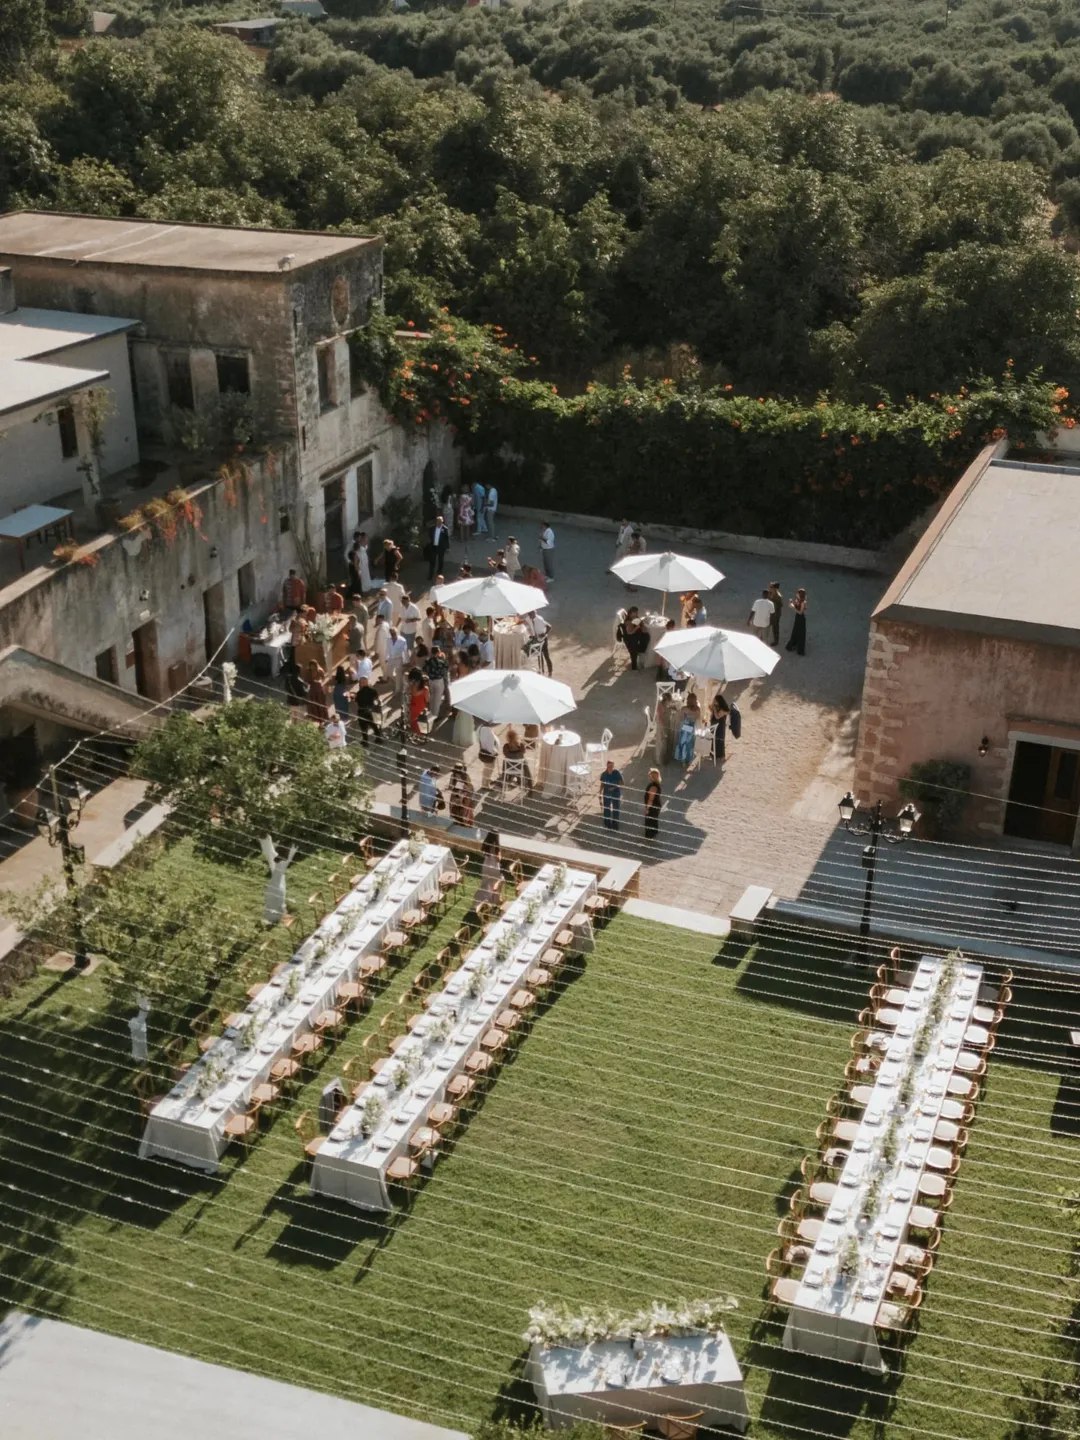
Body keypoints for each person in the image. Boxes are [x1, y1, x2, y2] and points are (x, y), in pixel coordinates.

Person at [475, 831, 503, 905]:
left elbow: (483, 852)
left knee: (486, 884)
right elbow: (498, 859)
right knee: (496, 884)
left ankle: (484, 899)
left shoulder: (485, 844)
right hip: (494, 867)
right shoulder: (496, 846)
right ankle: (494, 900)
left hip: (486, 866)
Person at [423, 645, 449, 721]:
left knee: (432, 697)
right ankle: (435, 715)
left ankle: (431, 713)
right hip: (439, 681)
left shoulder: (428, 661)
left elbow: (424, 670)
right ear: (438, 652)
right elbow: (446, 670)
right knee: (437, 699)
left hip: (431, 681)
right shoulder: (441, 661)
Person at [354, 676, 381, 745]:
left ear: (361, 683)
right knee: (374, 725)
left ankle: (365, 741)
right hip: (372, 711)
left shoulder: (359, 693)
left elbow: (357, 701)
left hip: (362, 712)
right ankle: (378, 739)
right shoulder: (373, 691)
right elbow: (377, 700)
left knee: (363, 727)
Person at [524, 610, 552, 676]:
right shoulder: (528, 618)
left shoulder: (539, 619)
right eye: (529, 614)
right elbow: (524, 621)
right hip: (536, 639)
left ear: (535, 613)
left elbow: (549, 626)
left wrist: (544, 634)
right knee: (525, 648)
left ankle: (550, 671)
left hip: (543, 639)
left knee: (546, 655)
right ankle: (539, 669)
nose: (530, 616)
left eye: (531, 614)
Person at [599, 759, 624, 831]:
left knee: (616, 808)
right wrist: (600, 793)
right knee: (607, 808)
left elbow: (622, 783)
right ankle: (607, 824)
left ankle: (615, 824)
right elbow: (602, 784)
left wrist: (614, 787)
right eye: (609, 766)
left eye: (612, 766)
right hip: (606, 793)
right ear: (607, 766)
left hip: (616, 793)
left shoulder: (617, 773)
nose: (611, 768)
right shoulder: (604, 774)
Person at [426, 514, 450, 582]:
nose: (439, 523)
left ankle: (439, 573)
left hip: (441, 547)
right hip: (433, 546)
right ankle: (430, 574)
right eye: (438, 522)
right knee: (432, 560)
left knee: (440, 560)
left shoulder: (445, 529)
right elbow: (430, 535)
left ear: (442, 522)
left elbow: (446, 539)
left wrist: (447, 547)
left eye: (440, 522)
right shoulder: (432, 528)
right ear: (436, 522)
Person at [385, 626, 408, 693]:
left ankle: (397, 689)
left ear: (396, 632)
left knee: (398, 674)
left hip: (399, 659)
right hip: (391, 658)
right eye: (391, 633)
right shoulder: (388, 640)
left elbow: (405, 651)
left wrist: (406, 661)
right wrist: (386, 658)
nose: (393, 634)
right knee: (389, 673)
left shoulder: (402, 640)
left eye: (394, 633)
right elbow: (387, 649)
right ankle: (401, 683)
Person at [709, 691, 730, 761]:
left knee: (719, 741)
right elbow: (711, 712)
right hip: (714, 726)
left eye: (715, 701)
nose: (714, 702)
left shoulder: (722, 710)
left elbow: (717, 717)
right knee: (714, 740)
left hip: (720, 727)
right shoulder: (717, 707)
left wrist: (714, 709)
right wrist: (713, 707)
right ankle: (713, 755)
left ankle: (721, 756)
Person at [787, 587, 808, 655]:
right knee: (795, 631)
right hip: (797, 617)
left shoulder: (803, 602)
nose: (796, 594)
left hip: (801, 618)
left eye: (798, 593)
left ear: (800, 594)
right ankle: (793, 644)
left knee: (801, 633)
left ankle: (800, 649)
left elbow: (800, 612)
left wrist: (793, 607)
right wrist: (791, 603)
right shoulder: (798, 600)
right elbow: (795, 606)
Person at [477, 721, 499, 786]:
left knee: (486, 768)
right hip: (489, 753)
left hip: (483, 751)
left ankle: (487, 780)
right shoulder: (488, 732)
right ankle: (485, 784)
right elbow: (490, 745)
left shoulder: (480, 728)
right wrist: (494, 752)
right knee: (489, 769)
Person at [644, 768, 663, 840]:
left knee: (649, 820)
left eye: (650, 775)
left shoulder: (653, 786)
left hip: (652, 806)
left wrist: (647, 809)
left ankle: (650, 835)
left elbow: (651, 799)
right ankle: (654, 831)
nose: (649, 776)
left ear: (652, 776)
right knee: (654, 819)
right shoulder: (656, 783)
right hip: (656, 805)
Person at [768, 581, 784, 646]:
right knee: (765, 625)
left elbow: (780, 605)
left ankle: (776, 641)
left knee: (775, 628)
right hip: (769, 613)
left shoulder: (778, 596)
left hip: (775, 615)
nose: (769, 588)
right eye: (770, 586)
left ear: (775, 588)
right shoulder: (769, 593)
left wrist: (773, 603)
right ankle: (762, 636)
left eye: (771, 587)